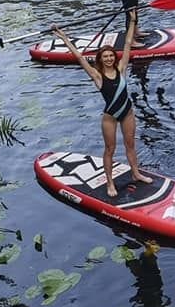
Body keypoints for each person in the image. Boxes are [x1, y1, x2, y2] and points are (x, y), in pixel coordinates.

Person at [52, 23, 152, 198]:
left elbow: (128, 43)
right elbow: (80, 58)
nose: (108, 59)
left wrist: (132, 18)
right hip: (110, 117)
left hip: (127, 112)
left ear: (115, 57)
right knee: (110, 149)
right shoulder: (97, 76)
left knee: (130, 145)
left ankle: (136, 173)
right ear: (101, 59)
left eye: (111, 56)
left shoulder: (121, 69)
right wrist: (65, 39)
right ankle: (110, 182)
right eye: (105, 56)